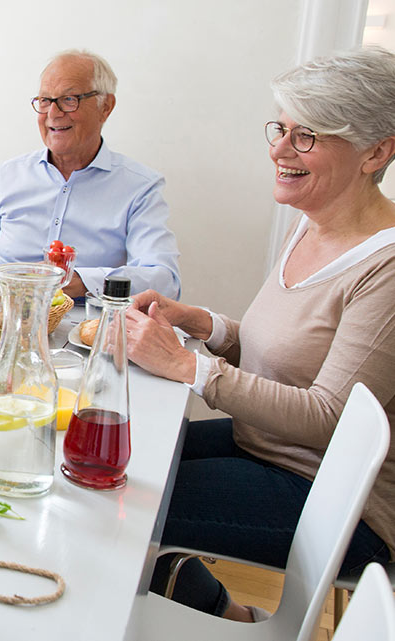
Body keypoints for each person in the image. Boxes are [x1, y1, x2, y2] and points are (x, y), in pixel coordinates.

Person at [124, 47, 395, 622]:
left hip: (335, 498)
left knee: (118, 495)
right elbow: (286, 351)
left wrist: (187, 366)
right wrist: (203, 324)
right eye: (282, 129)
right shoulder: (313, 222)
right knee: (123, 448)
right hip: (266, 445)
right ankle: (225, 610)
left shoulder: (386, 269)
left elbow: (328, 414)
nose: (278, 150)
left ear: (376, 151)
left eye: (308, 136)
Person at [0, 49, 181, 300]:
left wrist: (82, 281)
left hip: (88, 328)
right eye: (45, 100)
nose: (53, 114)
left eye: (69, 99)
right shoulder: (10, 174)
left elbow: (165, 281)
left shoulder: (140, 187)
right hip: (5, 321)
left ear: (106, 106)